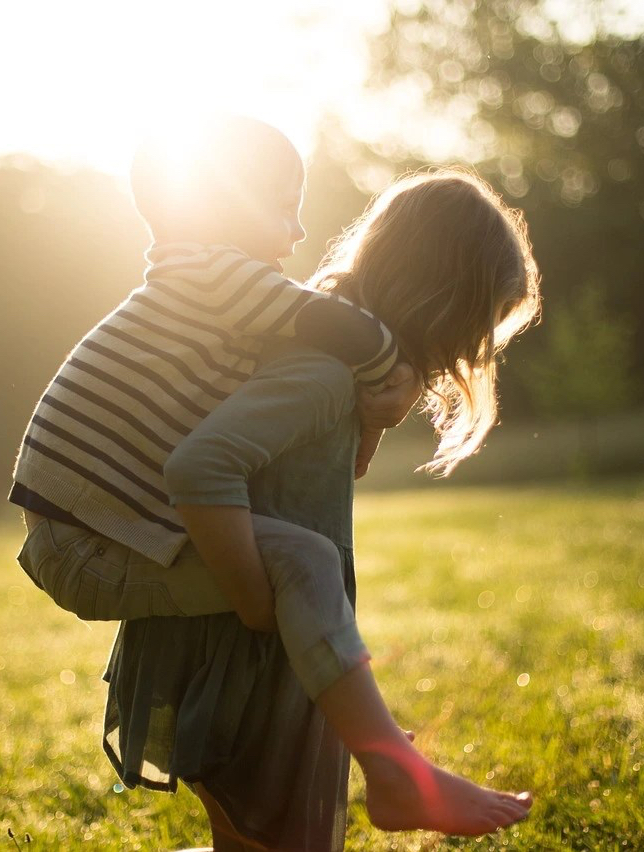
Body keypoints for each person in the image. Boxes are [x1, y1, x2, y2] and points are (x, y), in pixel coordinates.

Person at [103, 168, 542, 851]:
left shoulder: (338, 364)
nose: (472, 348)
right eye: (477, 323)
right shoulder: (323, 372)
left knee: (254, 842)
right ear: (439, 301)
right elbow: (200, 466)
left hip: (267, 638)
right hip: (244, 645)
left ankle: (392, 771)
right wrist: (254, 601)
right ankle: (398, 777)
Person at [10, 115, 419, 693]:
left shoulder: (200, 283)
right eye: (283, 207)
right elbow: (340, 325)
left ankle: (349, 730)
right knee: (307, 563)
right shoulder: (215, 275)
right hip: (86, 544)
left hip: (83, 533)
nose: (299, 230)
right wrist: (395, 376)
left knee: (298, 562)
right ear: (223, 208)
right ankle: (366, 738)